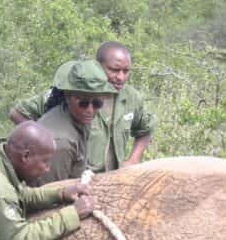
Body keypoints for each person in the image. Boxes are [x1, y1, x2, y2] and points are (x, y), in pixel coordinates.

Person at [10, 42, 156, 171]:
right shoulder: (71, 92)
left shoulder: (131, 98)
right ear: (97, 66)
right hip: (76, 177)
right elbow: (18, 113)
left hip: (113, 181)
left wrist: (133, 159)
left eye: (126, 71)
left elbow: (146, 128)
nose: (121, 77)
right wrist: (43, 142)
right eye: (114, 70)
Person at [35, 59, 116, 185]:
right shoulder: (61, 142)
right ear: (67, 96)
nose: (90, 110)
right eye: (83, 103)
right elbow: (49, 193)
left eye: (97, 103)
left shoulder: (77, 117)